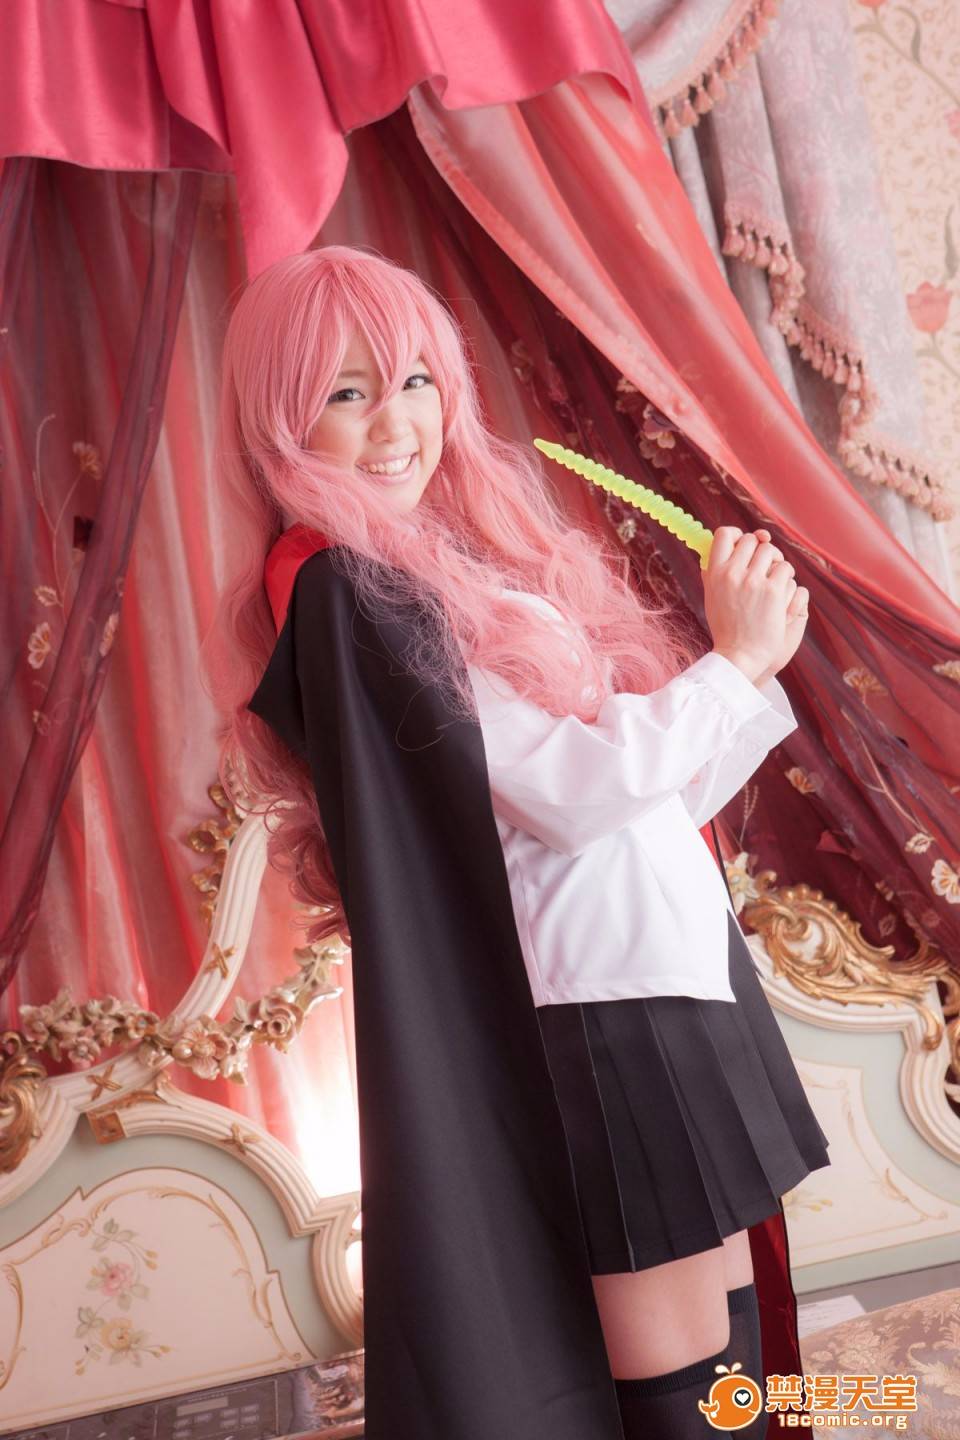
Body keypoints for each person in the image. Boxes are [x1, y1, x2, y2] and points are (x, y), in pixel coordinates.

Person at [209, 244, 830, 1440]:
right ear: (282, 419)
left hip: (667, 983)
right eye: (346, 392)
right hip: (602, 1012)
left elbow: (646, 801)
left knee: (734, 1362)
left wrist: (746, 667)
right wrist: (734, 662)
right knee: (688, 1386)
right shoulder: (345, 585)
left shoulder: (442, 571)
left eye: (415, 381)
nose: (395, 423)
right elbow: (573, 796)